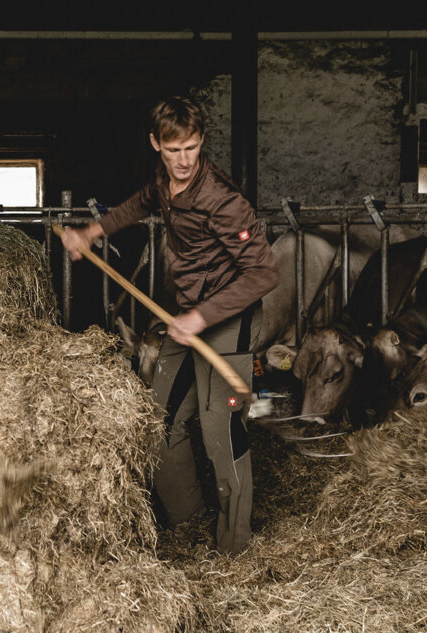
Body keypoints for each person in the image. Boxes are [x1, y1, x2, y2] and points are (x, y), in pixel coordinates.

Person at [59, 96, 278, 554]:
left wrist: (201, 316)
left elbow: (263, 274)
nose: (183, 161)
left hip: (225, 320)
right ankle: (189, 522)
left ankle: (234, 548)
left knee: (222, 432)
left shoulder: (223, 200)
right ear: (156, 144)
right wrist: (90, 233)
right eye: (174, 150)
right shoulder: (164, 180)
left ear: (201, 144)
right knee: (155, 422)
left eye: (192, 149)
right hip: (185, 318)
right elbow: (139, 203)